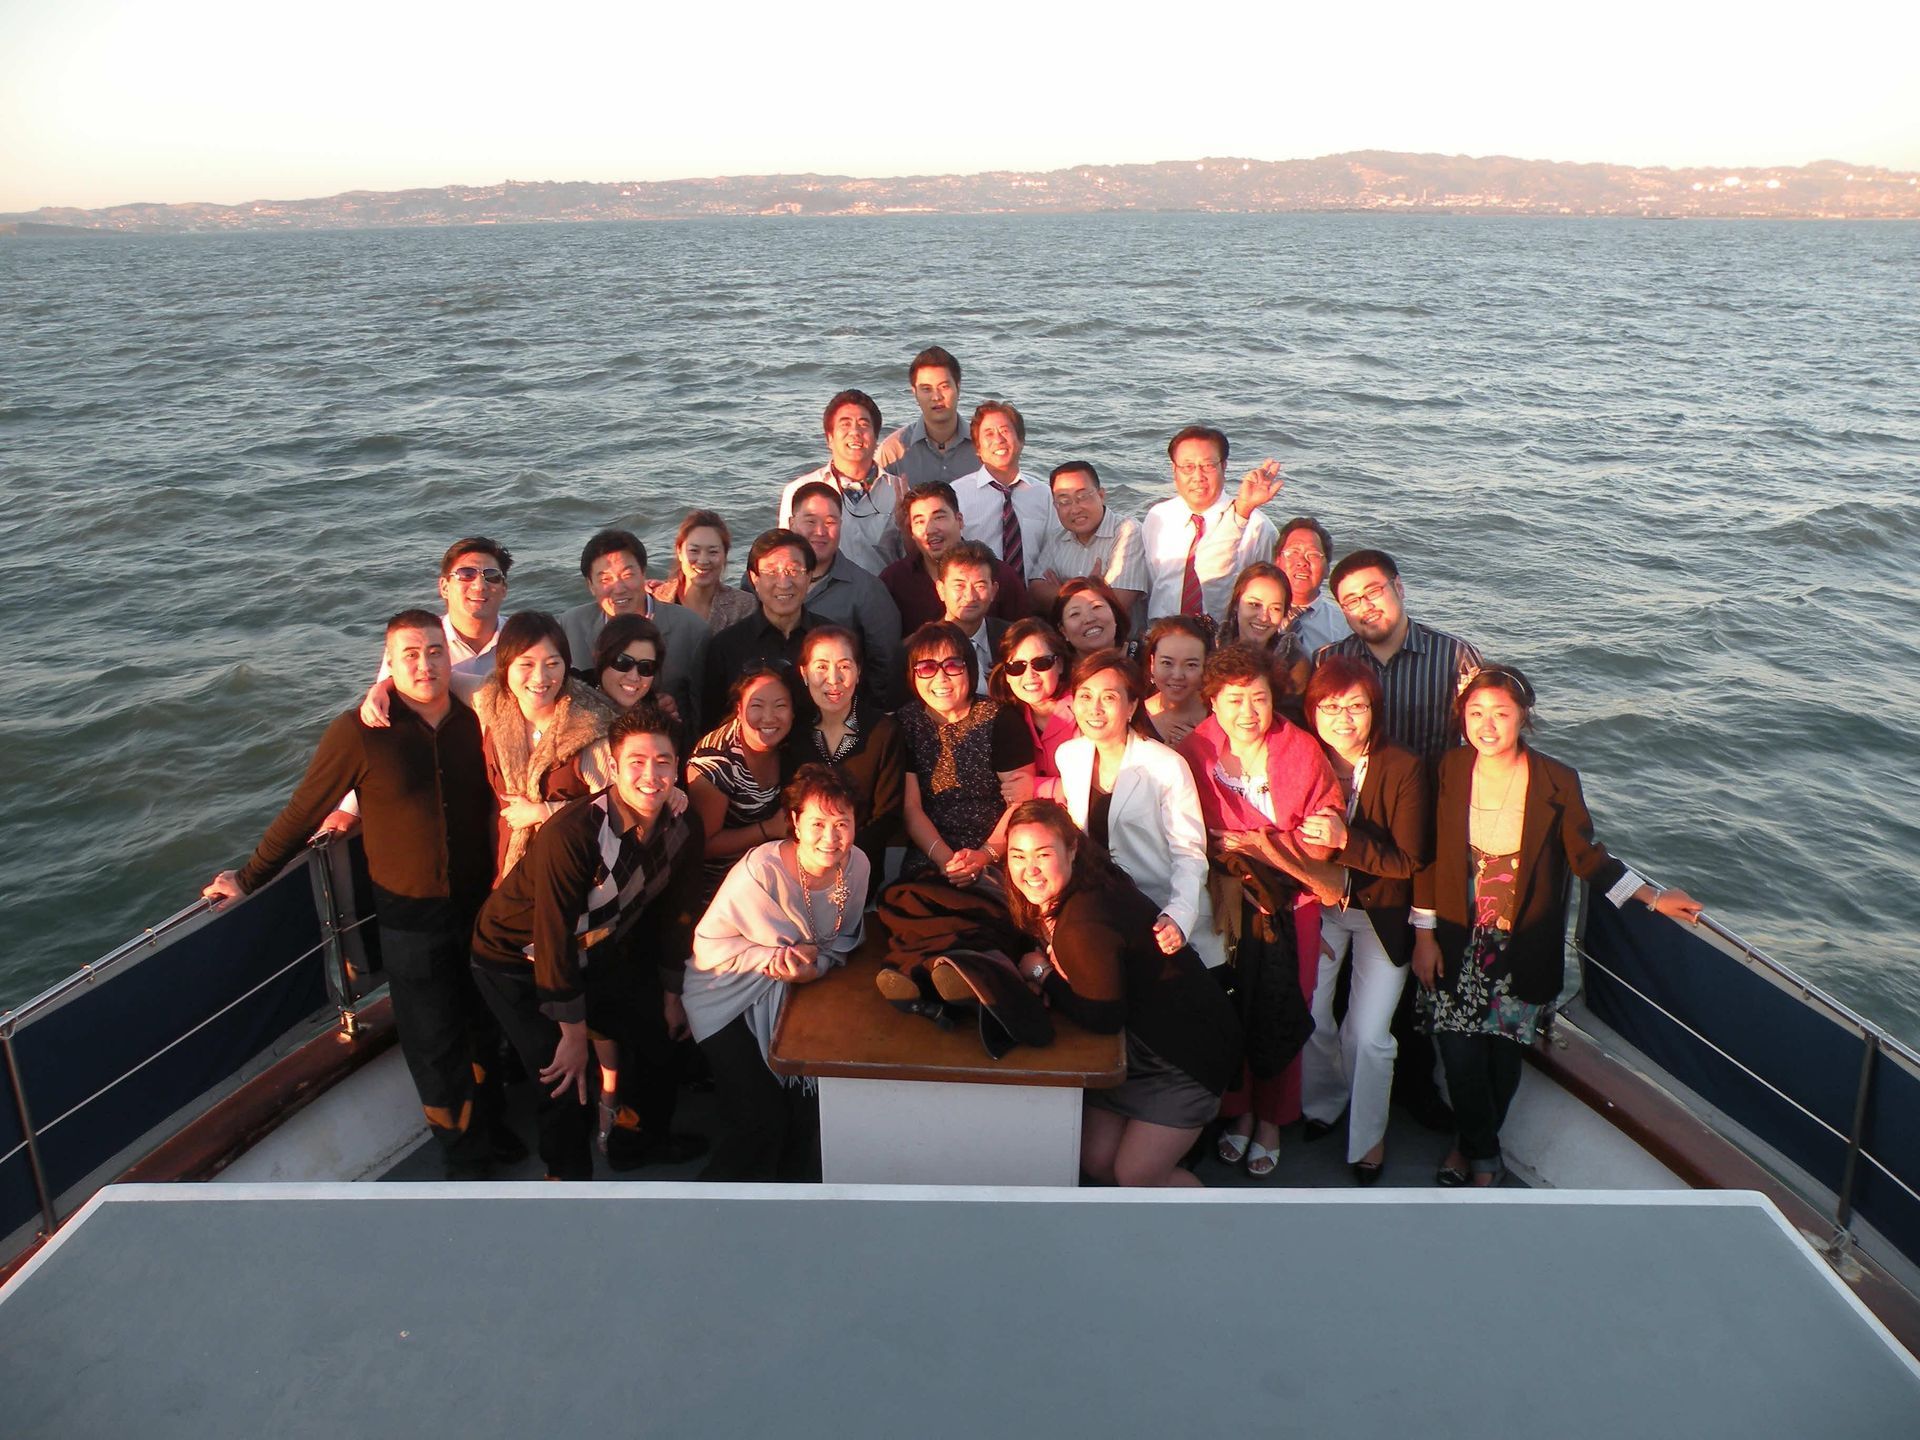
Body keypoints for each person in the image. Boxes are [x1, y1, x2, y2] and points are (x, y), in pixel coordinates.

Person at [203, 611, 503, 1177]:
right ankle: (466, 1158)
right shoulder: (359, 732)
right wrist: (249, 877)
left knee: (485, 1025)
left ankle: (498, 1131)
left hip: (482, 911)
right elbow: (303, 811)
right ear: (388, 664)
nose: (424, 664)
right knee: (433, 1044)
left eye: (434, 651)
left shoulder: (478, 717)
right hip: (410, 924)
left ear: (449, 656)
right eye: (409, 654)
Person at [1415, 665, 1702, 1185]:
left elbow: (1587, 857)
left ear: (1523, 717)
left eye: (1500, 713)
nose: (1486, 725)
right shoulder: (1449, 768)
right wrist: (1423, 935)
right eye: (1475, 713)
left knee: (1504, 1059)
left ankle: (1470, 1149)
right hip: (1457, 941)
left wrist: (1651, 896)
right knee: (1458, 1054)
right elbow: (1427, 857)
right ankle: (1482, 1154)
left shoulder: (1556, 780)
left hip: (1521, 946)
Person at [468, 701, 706, 1180]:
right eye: (636, 762)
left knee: (656, 1036)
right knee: (560, 1073)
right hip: (516, 956)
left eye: (663, 762)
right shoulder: (574, 834)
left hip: (593, 944)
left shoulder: (684, 826)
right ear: (612, 769)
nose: (651, 776)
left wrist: (671, 993)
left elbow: (675, 916)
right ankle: (567, 1178)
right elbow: (552, 934)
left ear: (677, 768)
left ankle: (636, 1143)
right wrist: (573, 1034)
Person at [1001, 801, 1242, 1188]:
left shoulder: (1084, 920)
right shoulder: (1089, 881)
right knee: (1095, 1161)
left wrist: (1041, 973)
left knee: (1136, 1175)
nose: (1029, 869)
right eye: (1018, 856)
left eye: (1043, 854)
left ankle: (1209, 1218)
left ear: (1072, 849)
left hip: (1185, 1056)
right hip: (1135, 1047)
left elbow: (1103, 1017)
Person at [1178, 644, 1343, 1177]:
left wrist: (1254, 843)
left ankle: (1272, 1117)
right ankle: (1240, 1110)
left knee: (1286, 1003)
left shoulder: (1301, 750)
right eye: (1234, 700)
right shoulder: (1196, 750)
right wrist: (1235, 852)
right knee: (1233, 1005)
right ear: (1213, 702)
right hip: (1225, 899)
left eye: (1259, 698)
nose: (1247, 712)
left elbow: (1321, 836)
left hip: (1292, 901)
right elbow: (1187, 830)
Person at [684, 765, 871, 1181]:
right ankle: (714, 1204)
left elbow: (842, 938)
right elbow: (707, 947)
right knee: (761, 1121)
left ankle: (791, 1198)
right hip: (726, 997)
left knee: (808, 1113)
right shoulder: (760, 872)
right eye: (818, 823)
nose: (831, 837)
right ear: (796, 823)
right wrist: (774, 959)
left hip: (802, 991)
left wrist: (812, 968)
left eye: (842, 823)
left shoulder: (858, 865)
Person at [1294, 655, 1431, 1184]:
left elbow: (1409, 860)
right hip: (1318, 908)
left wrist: (1346, 841)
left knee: (1368, 1035)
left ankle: (1369, 1136)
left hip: (1381, 915)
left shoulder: (1403, 766)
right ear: (1312, 710)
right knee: (1311, 1012)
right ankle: (1323, 1104)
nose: (1343, 719)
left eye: (1357, 706)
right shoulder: (1299, 756)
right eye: (1330, 707)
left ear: (1376, 710)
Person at [318, 537, 515, 838]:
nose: (479, 585)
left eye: (492, 576)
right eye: (466, 574)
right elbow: (381, 727)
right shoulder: (417, 642)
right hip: (441, 782)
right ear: (444, 586)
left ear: (504, 589)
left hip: (508, 779)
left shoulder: (521, 642)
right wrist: (349, 809)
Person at [1052, 649, 1218, 967]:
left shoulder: (1165, 765)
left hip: (1160, 913)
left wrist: (1178, 914)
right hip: (1104, 911)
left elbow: (1189, 852)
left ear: (1131, 707)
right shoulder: (1069, 755)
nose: (1094, 708)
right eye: (1085, 696)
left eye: (1109, 697)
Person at [473, 610, 618, 879]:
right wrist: (389, 687)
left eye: (552, 663)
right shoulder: (492, 703)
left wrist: (545, 811)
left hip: (569, 875)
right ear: (505, 667)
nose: (540, 678)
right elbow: (446, 682)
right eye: (526, 664)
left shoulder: (591, 728)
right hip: (505, 872)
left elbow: (615, 806)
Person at [893, 621, 1037, 886]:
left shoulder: (1000, 719)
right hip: (930, 855)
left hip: (998, 854)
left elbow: (1020, 803)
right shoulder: (906, 724)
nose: (941, 678)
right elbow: (911, 808)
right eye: (927, 668)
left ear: (970, 668)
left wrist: (983, 856)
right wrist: (947, 862)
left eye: (952, 665)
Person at [1317, 548, 1484, 767]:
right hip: (1352, 785)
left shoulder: (1456, 655)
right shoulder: (1328, 660)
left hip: (1431, 784)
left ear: (1398, 587)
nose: (1366, 607)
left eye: (1373, 592)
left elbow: (1485, 731)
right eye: (1351, 602)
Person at [557, 529, 707, 735]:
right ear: (590, 585)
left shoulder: (692, 630)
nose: (619, 588)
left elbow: (704, 709)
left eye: (627, 575)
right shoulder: (571, 625)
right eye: (605, 579)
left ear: (643, 573)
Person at [785, 624, 905, 871]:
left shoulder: (883, 731)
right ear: (804, 673)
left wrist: (839, 856)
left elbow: (888, 815)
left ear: (858, 672)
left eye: (844, 666)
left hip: (860, 866)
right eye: (821, 667)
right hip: (798, 864)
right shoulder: (793, 731)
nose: (833, 679)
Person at [1140, 425, 1287, 623]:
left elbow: (1272, 593)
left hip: (1224, 632)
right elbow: (1149, 585)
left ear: (1223, 466)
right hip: (1161, 631)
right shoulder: (1158, 517)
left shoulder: (1257, 527)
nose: (1198, 477)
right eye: (1188, 467)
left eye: (1208, 466)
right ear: (1174, 469)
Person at [785, 479, 906, 709]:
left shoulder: (868, 591)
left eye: (830, 522)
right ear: (792, 523)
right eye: (810, 521)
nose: (820, 531)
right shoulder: (764, 583)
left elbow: (886, 667)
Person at [686, 662, 800, 902]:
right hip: (721, 890)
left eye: (780, 706)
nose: (768, 717)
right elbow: (702, 845)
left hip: (772, 875)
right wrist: (768, 829)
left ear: (793, 711)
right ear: (739, 709)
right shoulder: (715, 762)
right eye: (757, 705)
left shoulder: (792, 744)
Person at [777, 388, 908, 576]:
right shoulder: (799, 491)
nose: (855, 432)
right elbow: (787, 555)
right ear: (829, 439)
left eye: (863, 424)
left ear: (875, 438)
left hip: (883, 591)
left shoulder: (899, 491)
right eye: (845, 424)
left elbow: (910, 557)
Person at [701, 529, 821, 721]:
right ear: (754, 579)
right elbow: (711, 721)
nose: (784, 583)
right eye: (771, 572)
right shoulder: (725, 647)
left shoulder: (831, 640)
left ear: (809, 576)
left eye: (793, 570)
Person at [880, 480, 1030, 632]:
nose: (929, 529)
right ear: (911, 531)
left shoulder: (1000, 575)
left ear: (959, 520)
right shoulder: (894, 581)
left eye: (939, 517)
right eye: (919, 521)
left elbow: (1025, 636)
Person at [1030, 461, 1148, 617]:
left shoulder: (1127, 532)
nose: (1075, 509)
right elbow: (1036, 591)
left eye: (1082, 497)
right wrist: (1093, 592)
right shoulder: (1057, 536)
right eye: (1064, 501)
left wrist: (1062, 591)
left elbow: (1118, 603)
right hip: (1067, 631)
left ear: (1101, 495)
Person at [954, 400, 1053, 582]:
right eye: (989, 434)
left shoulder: (1043, 494)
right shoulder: (957, 494)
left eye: (1005, 431)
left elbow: (1055, 551)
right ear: (978, 448)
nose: (998, 440)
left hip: (1031, 594)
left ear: (1021, 440)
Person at [874, 345, 978, 487]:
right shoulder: (893, 450)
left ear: (958, 387)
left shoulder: (983, 446)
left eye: (944, 387)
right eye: (926, 389)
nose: (936, 397)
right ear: (914, 393)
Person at [988, 618, 1076, 783]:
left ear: (1060, 665)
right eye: (1016, 667)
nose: (1029, 675)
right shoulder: (1005, 720)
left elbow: (1096, 785)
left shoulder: (1086, 708)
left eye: (1041, 663)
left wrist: (1034, 787)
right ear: (1006, 674)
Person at [1216, 561, 1310, 711]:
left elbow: (1290, 717)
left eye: (1275, 608)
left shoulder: (1293, 660)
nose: (1264, 617)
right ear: (1236, 604)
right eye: (1254, 605)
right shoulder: (1211, 643)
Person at [649, 510, 758, 633]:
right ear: (679, 552)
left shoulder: (744, 606)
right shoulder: (654, 600)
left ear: (725, 554)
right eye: (694, 550)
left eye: (713, 552)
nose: (703, 561)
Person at [938, 540, 1010, 695]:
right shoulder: (919, 648)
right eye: (959, 586)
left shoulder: (1013, 638)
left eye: (980, 586)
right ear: (941, 590)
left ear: (993, 591)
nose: (970, 596)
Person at [1275, 516, 1347, 655]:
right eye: (1293, 552)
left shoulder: (1344, 627)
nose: (1302, 562)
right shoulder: (1255, 613)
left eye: (1313, 555)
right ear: (1276, 561)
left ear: (1327, 569)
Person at [1140, 616, 1212, 748]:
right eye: (1167, 663)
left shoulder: (1221, 714)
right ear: (1152, 663)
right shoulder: (1134, 717)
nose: (1177, 675)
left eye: (1191, 665)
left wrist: (1199, 750)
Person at [590, 614, 668, 713]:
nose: (634, 677)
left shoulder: (660, 718)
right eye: (623, 662)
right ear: (601, 658)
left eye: (646, 667)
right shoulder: (573, 711)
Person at [1051, 575, 1135, 661]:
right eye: (1075, 614)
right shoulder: (1055, 667)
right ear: (1063, 631)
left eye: (1096, 607)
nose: (1089, 619)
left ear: (1114, 613)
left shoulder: (1142, 659)